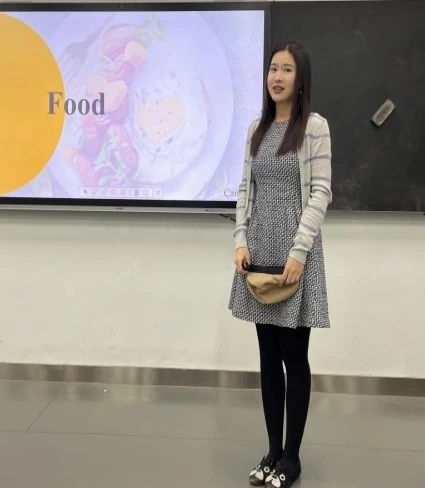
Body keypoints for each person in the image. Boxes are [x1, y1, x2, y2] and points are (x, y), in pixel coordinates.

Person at [228, 41, 333, 487]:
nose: (277, 77)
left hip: (294, 255)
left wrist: (298, 251)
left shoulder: (315, 127)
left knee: (294, 356)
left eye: (287, 69)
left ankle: (292, 458)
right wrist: (240, 239)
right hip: (259, 253)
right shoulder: (257, 128)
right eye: (273, 68)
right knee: (268, 357)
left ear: (300, 78)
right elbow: (244, 190)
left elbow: (321, 192)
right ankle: (272, 451)